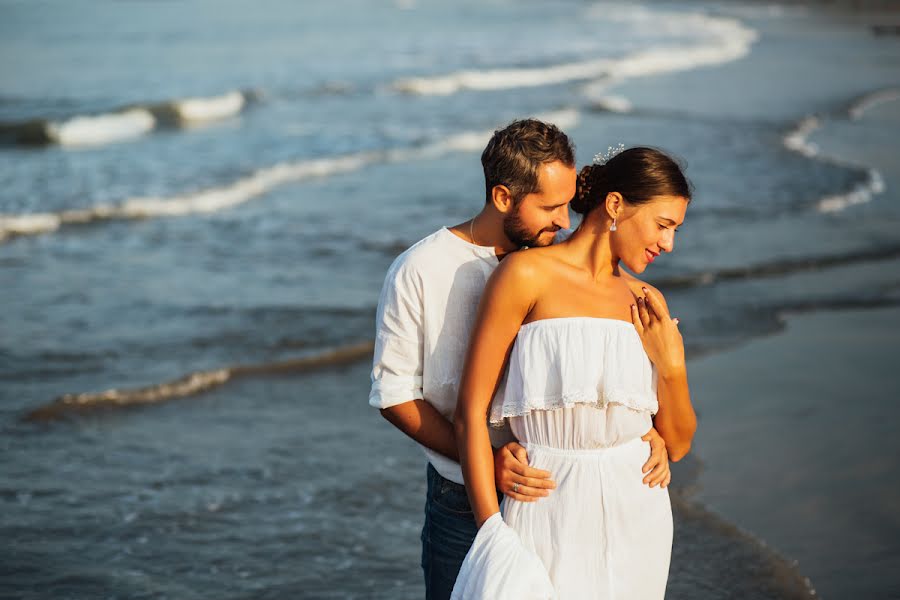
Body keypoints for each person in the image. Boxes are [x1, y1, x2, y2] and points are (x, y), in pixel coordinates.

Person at [368, 120, 672, 600]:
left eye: (567, 205)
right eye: (550, 208)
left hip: (555, 496)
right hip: (463, 502)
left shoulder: (551, 269)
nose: (564, 221)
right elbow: (394, 397)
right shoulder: (421, 269)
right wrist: (486, 463)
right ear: (504, 197)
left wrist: (632, 427)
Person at [452, 146, 698, 599]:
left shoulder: (646, 300)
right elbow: (470, 411)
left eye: (675, 231)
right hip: (544, 506)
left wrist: (672, 366)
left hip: (637, 511)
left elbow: (678, 444)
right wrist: (491, 531)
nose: (669, 244)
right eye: (663, 226)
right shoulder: (524, 276)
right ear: (616, 205)